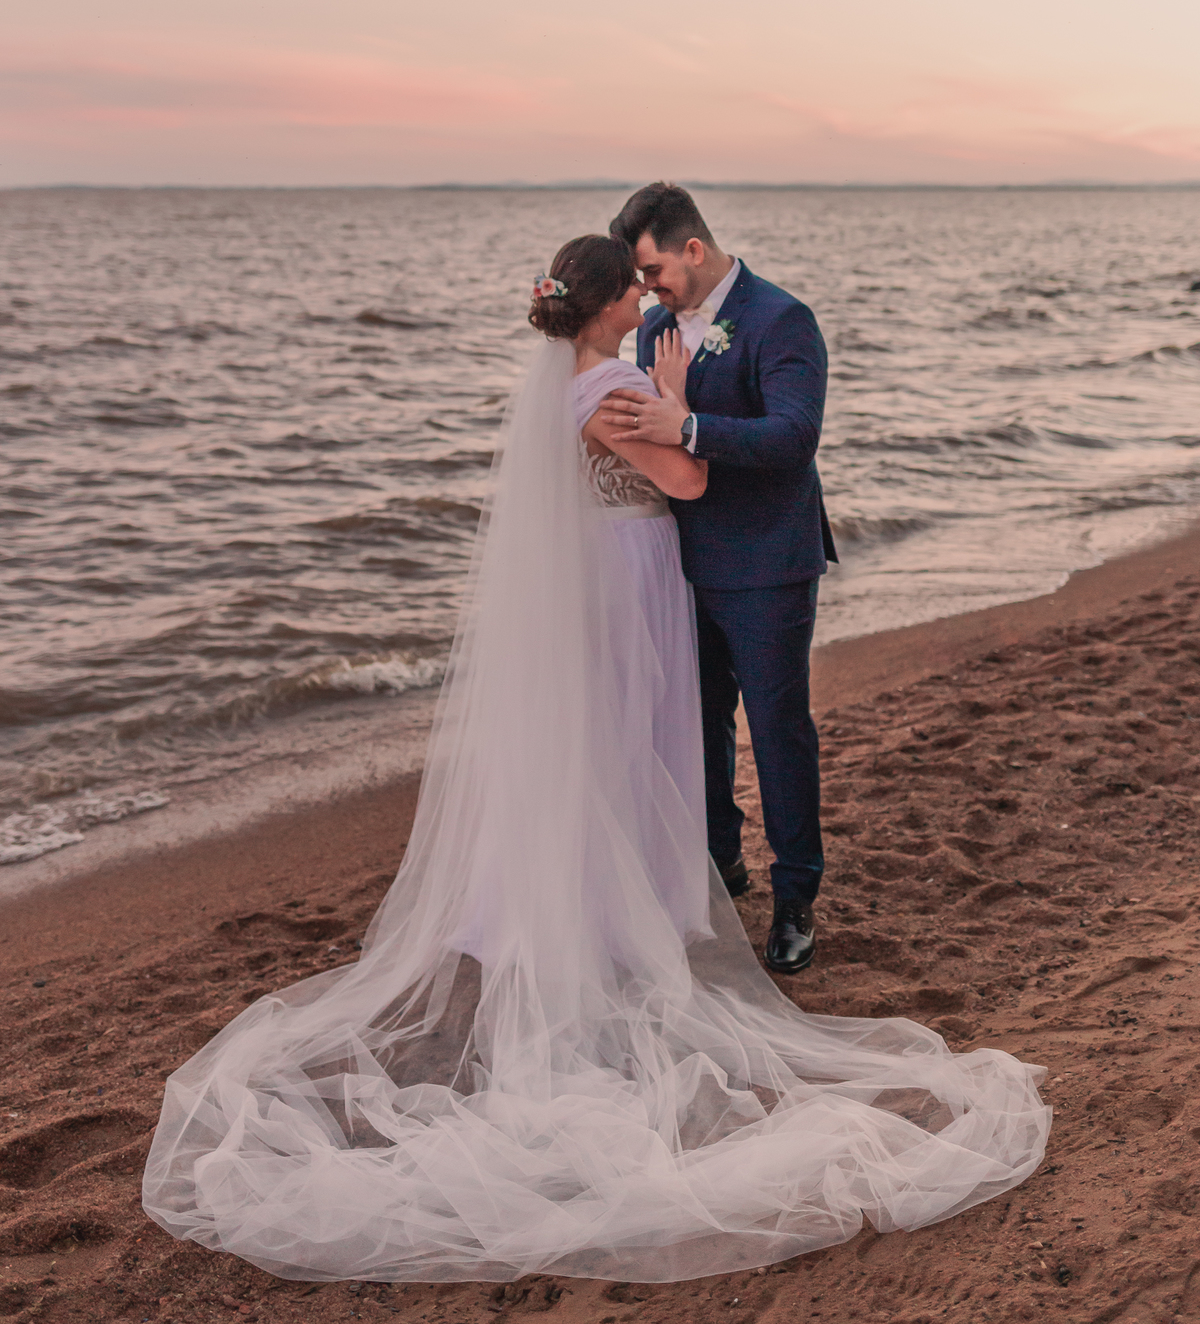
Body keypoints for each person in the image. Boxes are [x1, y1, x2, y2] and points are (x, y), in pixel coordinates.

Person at [142, 234, 1049, 1287]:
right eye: (638, 286)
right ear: (615, 300)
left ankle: (569, 902)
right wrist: (670, 396)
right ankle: (632, 915)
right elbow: (690, 478)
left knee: (600, 750)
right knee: (635, 747)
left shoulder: (559, 385)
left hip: (597, 581)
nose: (650, 296)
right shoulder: (619, 380)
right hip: (629, 586)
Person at [605, 184, 835, 975]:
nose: (647, 290)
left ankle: (797, 895)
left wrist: (691, 425)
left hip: (769, 562)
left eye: (653, 270)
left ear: (692, 250)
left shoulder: (781, 319)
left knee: (777, 733)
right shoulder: (658, 330)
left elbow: (794, 437)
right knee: (695, 727)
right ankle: (718, 865)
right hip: (681, 563)